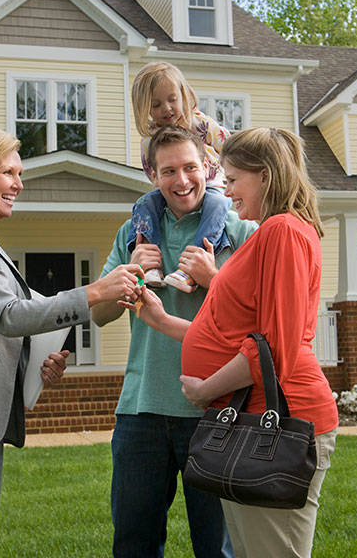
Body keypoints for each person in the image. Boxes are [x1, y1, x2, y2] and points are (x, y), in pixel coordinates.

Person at [0, 128, 144, 558]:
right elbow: (9, 315)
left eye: (20, 172)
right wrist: (96, 290)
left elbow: (17, 323)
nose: (19, 183)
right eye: (8, 172)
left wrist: (38, 362)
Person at [130, 127, 339, 558]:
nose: (225, 190)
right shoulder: (270, 233)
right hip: (254, 415)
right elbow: (235, 337)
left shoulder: (283, 231)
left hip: (279, 420)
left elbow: (272, 348)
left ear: (264, 176)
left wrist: (206, 391)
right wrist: (163, 319)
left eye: (232, 179)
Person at [93, 125, 257, 558]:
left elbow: (259, 322)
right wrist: (127, 272)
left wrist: (214, 280)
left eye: (190, 167)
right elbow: (99, 314)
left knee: (217, 547)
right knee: (133, 543)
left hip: (216, 409)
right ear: (152, 174)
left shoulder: (240, 232)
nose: (181, 180)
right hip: (141, 410)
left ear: (208, 165)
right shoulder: (134, 230)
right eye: (169, 171)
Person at [128, 61, 232, 292]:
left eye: (172, 99)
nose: (167, 109)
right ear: (145, 107)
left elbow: (228, 145)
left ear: (183, 95)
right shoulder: (150, 140)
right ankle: (150, 264)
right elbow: (151, 172)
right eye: (156, 104)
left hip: (211, 184)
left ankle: (190, 267)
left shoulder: (198, 123)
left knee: (217, 204)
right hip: (170, 190)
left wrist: (233, 177)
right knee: (144, 204)